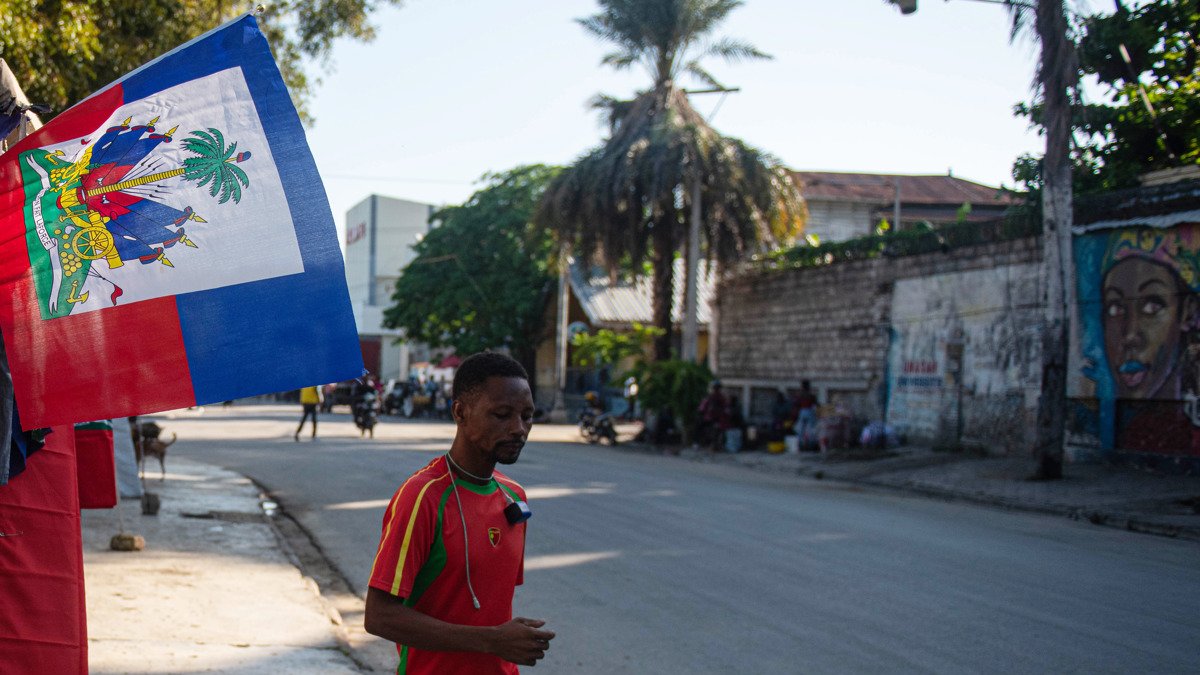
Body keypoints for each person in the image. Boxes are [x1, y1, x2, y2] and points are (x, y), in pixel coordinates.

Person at [365, 352, 555, 673]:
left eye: (527, 415)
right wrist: (491, 641)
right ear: (460, 412)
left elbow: (489, 602)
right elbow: (379, 616)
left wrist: (506, 638)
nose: (519, 428)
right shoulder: (422, 497)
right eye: (502, 415)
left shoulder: (514, 496)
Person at [697, 381, 730, 452]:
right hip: (714, 419)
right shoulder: (719, 397)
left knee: (713, 431)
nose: (716, 390)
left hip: (714, 419)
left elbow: (702, 408)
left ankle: (710, 445)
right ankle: (711, 445)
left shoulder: (715, 397)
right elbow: (702, 408)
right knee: (712, 431)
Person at [793, 381, 818, 450]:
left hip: (802, 411)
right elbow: (816, 403)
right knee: (810, 428)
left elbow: (796, 403)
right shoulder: (811, 395)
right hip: (809, 411)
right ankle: (811, 443)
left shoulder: (800, 395)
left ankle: (800, 444)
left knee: (801, 429)